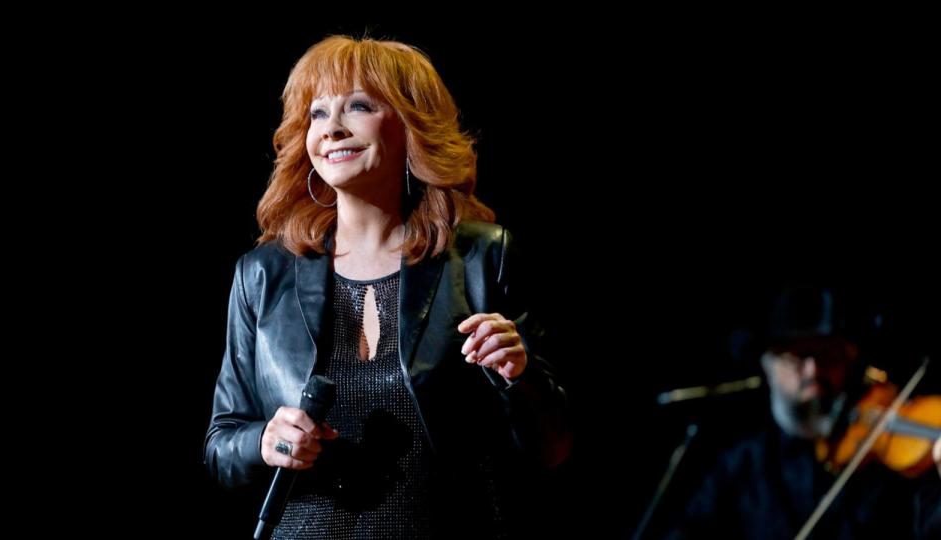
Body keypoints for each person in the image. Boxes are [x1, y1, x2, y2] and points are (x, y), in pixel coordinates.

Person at [202, 35, 572, 539]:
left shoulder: (483, 256)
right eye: (317, 113)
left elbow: (553, 448)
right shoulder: (263, 274)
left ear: (410, 124)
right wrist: (264, 441)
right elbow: (221, 444)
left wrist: (518, 375)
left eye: (358, 106)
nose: (332, 129)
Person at [664, 284, 940, 539]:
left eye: (827, 354)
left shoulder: (885, 466)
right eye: (798, 356)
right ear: (768, 363)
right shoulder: (740, 465)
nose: (813, 370)